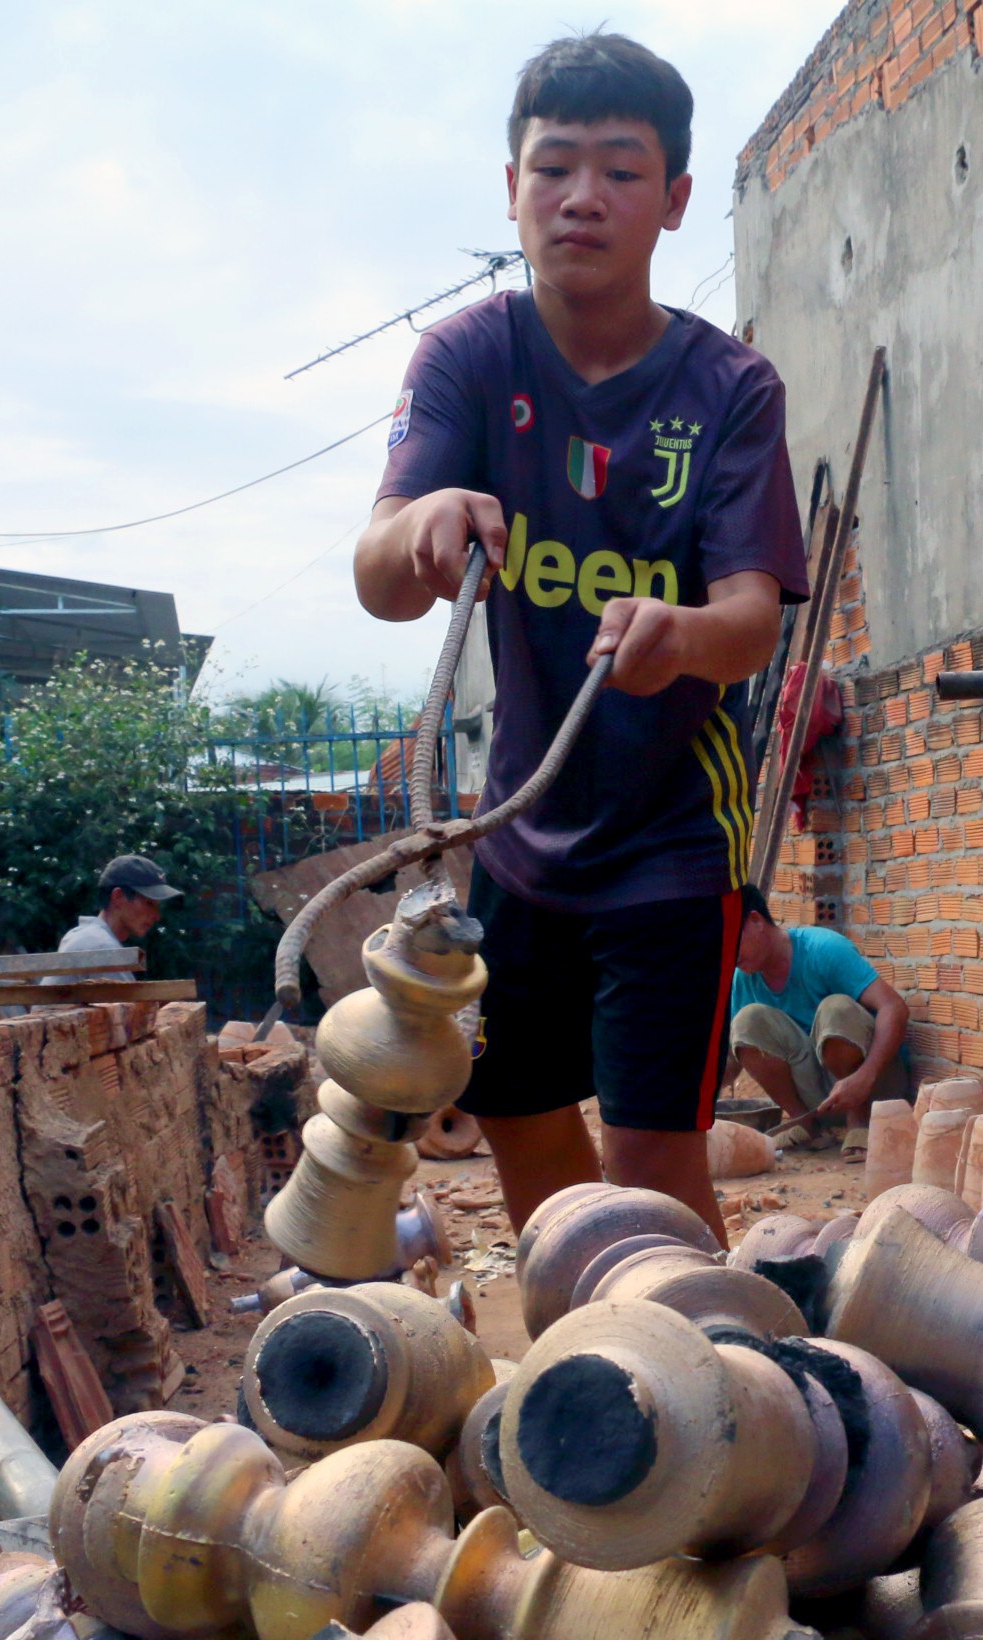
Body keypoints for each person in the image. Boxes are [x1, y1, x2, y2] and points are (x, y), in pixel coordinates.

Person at [353, 34, 810, 1243]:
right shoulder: (468, 357)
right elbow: (379, 578)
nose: (581, 197)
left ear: (674, 199)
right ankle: (579, 1323)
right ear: (513, 188)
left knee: (654, 1148)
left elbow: (750, 622)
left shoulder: (730, 389)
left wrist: (683, 635)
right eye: (553, 167)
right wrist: (421, 530)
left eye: (619, 169)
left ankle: (690, 1345)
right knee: (515, 1107)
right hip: (520, 832)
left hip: (675, 833)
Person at [726, 886, 910, 1145]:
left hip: (875, 1088)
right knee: (746, 1021)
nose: (726, 955)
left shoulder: (823, 949)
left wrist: (865, 1076)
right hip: (820, 1099)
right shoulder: (744, 977)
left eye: (730, 941)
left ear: (756, 921)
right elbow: (731, 1054)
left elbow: (894, 1007)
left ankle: (859, 1122)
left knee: (835, 1009)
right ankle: (804, 1123)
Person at [57, 855, 178, 963]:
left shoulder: (85, 936)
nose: (157, 916)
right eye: (149, 903)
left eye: (157, 906)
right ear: (118, 897)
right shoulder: (101, 946)